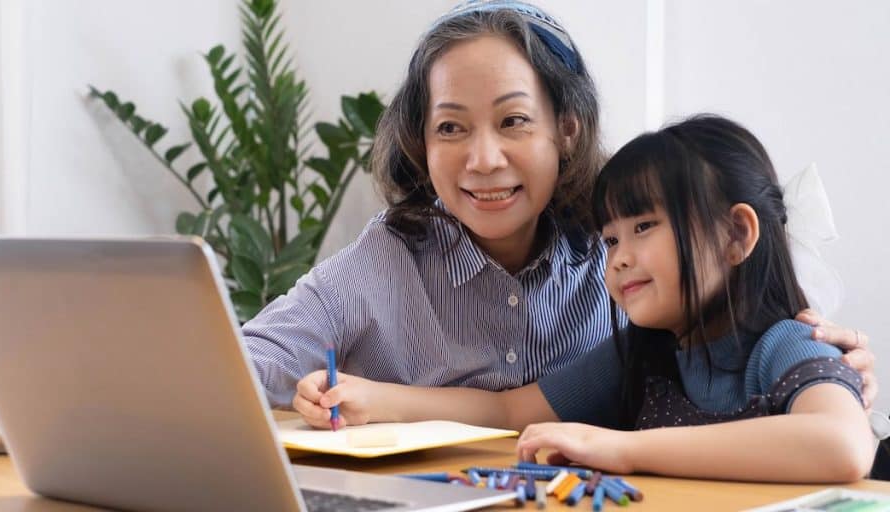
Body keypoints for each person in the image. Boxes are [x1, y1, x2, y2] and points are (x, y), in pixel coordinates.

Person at [243, 0, 875, 411]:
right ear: (420, 141)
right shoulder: (384, 256)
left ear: (566, 128)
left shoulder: (622, 255)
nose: (483, 159)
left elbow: (749, 348)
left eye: (514, 120)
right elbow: (244, 365)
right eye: (451, 128)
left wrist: (823, 372)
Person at [294, 115, 874, 482]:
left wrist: (622, 449)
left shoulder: (790, 343)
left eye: (643, 227)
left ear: (737, 234)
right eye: (611, 237)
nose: (617, 257)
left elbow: (841, 446)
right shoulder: (637, 354)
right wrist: (375, 397)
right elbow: (505, 411)